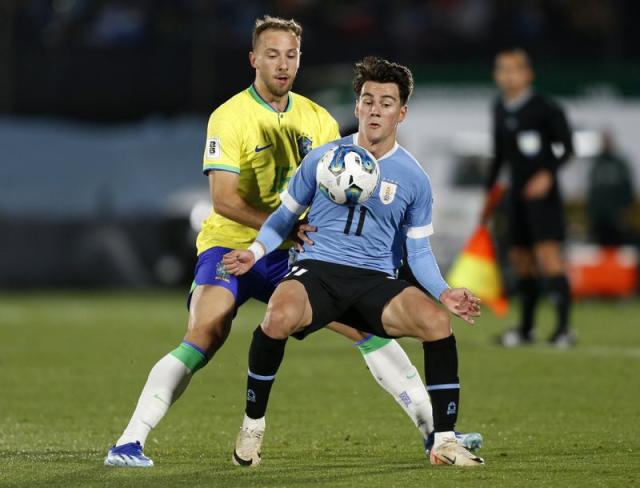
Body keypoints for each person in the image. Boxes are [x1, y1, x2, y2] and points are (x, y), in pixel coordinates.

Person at [104, 17, 479, 468]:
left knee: (365, 327)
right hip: (232, 247)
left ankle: (432, 432)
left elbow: (341, 188)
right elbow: (223, 200)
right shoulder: (229, 116)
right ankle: (130, 440)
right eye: (273, 54)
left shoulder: (317, 119)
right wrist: (284, 226)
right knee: (206, 333)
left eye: (291, 55)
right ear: (254, 59)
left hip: (299, 254)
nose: (283, 64)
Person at [224, 56, 485, 467]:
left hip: (375, 279)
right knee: (277, 315)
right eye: (368, 100)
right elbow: (282, 218)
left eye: (386, 102)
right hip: (318, 271)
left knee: (437, 323)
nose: (375, 109)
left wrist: (445, 292)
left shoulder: (414, 178)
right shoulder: (324, 158)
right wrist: (254, 252)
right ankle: (252, 426)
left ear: (402, 112)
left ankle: (445, 442)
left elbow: (417, 252)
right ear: (358, 106)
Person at [481, 48, 575, 348]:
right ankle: (526, 329)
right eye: (501, 70)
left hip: (542, 198)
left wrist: (547, 174)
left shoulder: (546, 108)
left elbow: (567, 148)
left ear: (527, 74)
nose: (507, 76)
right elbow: (499, 156)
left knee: (549, 258)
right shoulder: (498, 107)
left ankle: (563, 330)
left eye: (513, 70)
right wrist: (489, 194)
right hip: (514, 198)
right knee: (520, 260)